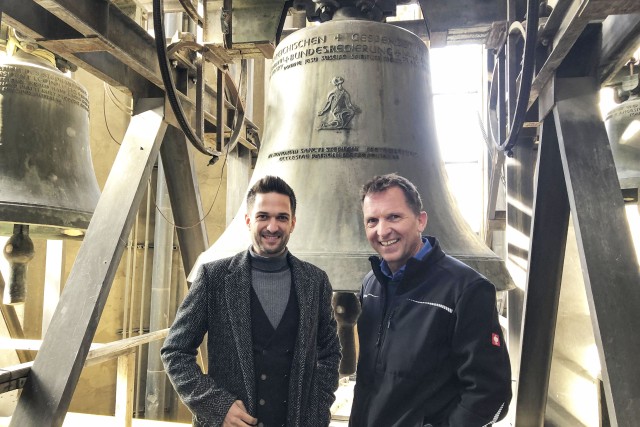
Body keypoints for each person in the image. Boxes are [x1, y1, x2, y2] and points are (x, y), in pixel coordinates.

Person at [161, 175, 341, 427]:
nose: (272, 226)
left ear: (293, 224)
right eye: (263, 216)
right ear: (248, 220)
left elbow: (330, 352)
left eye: (282, 217)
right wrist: (217, 406)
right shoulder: (214, 278)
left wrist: (317, 410)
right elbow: (175, 351)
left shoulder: (315, 281)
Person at [350, 173, 512, 427]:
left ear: (420, 221)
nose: (382, 230)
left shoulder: (466, 290)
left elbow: (490, 394)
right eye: (372, 221)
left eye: (394, 216)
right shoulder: (372, 285)